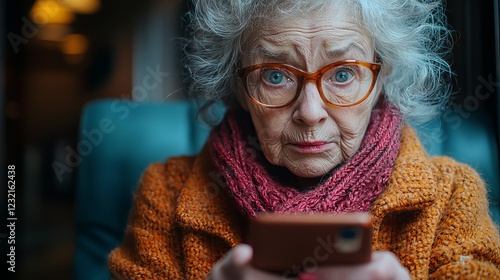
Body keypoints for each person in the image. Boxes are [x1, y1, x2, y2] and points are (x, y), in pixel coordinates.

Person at [108, 0, 500, 279]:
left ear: (382, 79)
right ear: (240, 87)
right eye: (275, 75)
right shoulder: (165, 195)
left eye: (343, 73)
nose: (310, 112)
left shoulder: (453, 198)